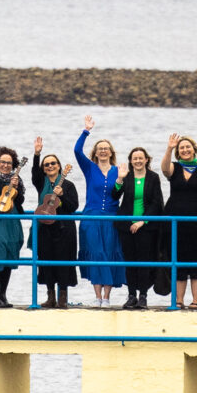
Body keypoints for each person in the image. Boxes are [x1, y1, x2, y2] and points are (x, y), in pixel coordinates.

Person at [72, 120, 123, 306]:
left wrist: (121, 180)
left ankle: (107, 298)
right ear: (95, 153)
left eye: (106, 148)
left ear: (111, 152)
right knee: (96, 253)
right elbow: (77, 151)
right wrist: (86, 131)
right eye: (100, 148)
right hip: (91, 217)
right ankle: (97, 297)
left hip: (111, 217)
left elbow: (121, 192)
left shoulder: (119, 171)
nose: (103, 151)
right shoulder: (90, 168)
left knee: (109, 253)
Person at [162, 134, 197, 310]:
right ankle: (178, 300)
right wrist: (169, 148)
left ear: (194, 149)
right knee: (178, 258)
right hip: (175, 221)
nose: (185, 150)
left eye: (188, 147)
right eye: (181, 148)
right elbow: (164, 170)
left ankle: (196, 300)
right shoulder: (175, 167)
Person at [30, 142, 82, 309]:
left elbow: (73, 206)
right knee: (46, 261)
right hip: (45, 228)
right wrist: (37, 154)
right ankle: (50, 296)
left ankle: (63, 298)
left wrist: (63, 195)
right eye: (47, 165)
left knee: (64, 261)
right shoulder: (41, 183)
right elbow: (34, 175)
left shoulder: (68, 185)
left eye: (53, 163)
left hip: (64, 229)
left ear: (60, 166)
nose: (50, 166)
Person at [116, 145, 167, 310]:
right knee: (130, 262)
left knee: (144, 262)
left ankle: (143, 296)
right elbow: (114, 195)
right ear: (131, 161)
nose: (138, 161)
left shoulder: (153, 177)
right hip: (126, 227)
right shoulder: (127, 177)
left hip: (146, 227)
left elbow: (156, 203)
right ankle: (131, 296)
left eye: (140, 158)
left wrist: (142, 221)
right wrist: (119, 180)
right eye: (134, 158)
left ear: (146, 160)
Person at [0, 145, 28, 309]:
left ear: (14, 165)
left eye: (9, 163)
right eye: (2, 162)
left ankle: (3, 294)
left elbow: (20, 201)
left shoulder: (17, 179)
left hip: (13, 218)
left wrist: (16, 188)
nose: (6, 165)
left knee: (10, 252)